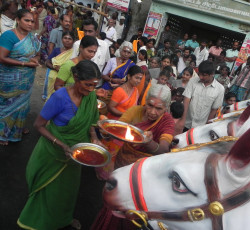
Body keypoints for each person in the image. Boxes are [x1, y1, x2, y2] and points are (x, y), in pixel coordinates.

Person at [18, 60, 103, 230]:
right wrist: (62, 145)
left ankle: (63, 218)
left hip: (76, 154)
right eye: (87, 84)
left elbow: (92, 121)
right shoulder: (59, 97)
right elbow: (38, 125)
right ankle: (40, 220)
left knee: (67, 192)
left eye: (94, 85)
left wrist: (94, 138)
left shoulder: (91, 96)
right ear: (76, 77)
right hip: (53, 152)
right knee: (48, 191)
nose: (91, 89)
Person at [91, 84, 175, 230]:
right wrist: (106, 132)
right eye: (150, 105)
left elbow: (163, 149)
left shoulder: (167, 121)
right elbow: (117, 128)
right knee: (114, 202)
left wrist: (149, 143)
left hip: (143, 173)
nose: (153, 112)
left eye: (159, 108)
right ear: (145, 101)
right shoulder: (135, 111)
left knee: (133, 206)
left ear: (166, 108)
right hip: (122, 164)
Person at [0, 9, 41, 146]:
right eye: (27, 20)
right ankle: (2, 134)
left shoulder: (33, 38)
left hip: (26, 79)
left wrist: (35, 59)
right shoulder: (8, 36)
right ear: (18, 20)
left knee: (23, 105)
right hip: (9, 80)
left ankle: (18, 128)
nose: (30, 24)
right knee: (7, 105)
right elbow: (2, 57)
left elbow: (37, 53)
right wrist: (24, 63)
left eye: (32, 21)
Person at [177, 61, 224, 132]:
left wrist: (207, 126)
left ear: (212, 74)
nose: (201, 77)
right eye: (199, 74)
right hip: (187, 122)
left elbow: (214, 110)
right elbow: (186, 100)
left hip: (201, 127)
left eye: (204, 75)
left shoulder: (220, 89)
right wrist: (183, 119)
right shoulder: (192, 81)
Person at [44, 31, 75, 100]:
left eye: (69, 39)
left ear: (73, 41)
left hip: (65, 79)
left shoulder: (74, 53)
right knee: (51, 98)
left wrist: (63, 70)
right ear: (62, 39)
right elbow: (47, 62)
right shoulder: (56, 50)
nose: (67, 40)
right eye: (65, 38)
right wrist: (55, 67)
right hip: (53, 78)